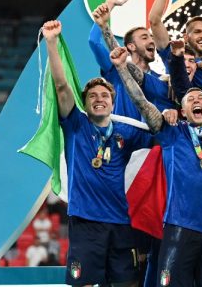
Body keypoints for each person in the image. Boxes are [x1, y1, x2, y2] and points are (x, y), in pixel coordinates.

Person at [112, 46, 202, 287]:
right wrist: (121, 69)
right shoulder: (173, 134)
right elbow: (141, 103)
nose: (197, 101)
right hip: (179, 227)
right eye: (191, 100)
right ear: (183, 111)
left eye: (201, 98)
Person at [43, 20, 152, 286]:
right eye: (92, 96)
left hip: (121, 223)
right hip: (86, 222)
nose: (99, 98)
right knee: (84, 284)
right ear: (85, 102)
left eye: (105, 95)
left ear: (113, 102)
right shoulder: (76, 125)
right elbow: (61, 86)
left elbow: (161, 141)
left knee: (126, 283)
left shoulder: (128, 132)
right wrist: (51, 43)